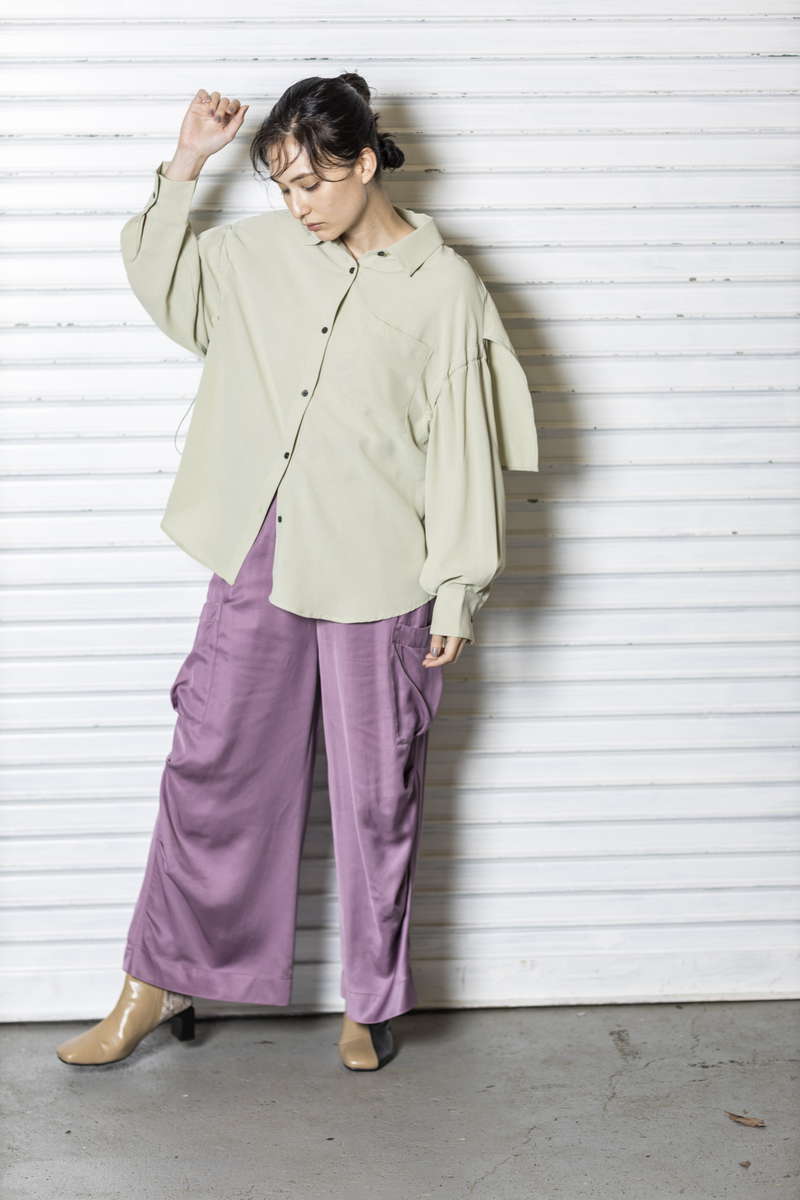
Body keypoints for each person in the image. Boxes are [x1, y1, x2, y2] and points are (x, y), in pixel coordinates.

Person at [56, 73, 538, 1072]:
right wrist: (188, 160)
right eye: (281, 186)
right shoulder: (256, 254)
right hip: (261, 545)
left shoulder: (442, 285)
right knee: (212, 765)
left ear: (364, 162)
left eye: (312, 182)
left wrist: (459, 584)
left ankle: (369, 1001)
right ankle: (159, 981)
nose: (297, 203)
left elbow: (462, 440)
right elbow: (159, 280)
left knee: (377, 791)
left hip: (384, 564)